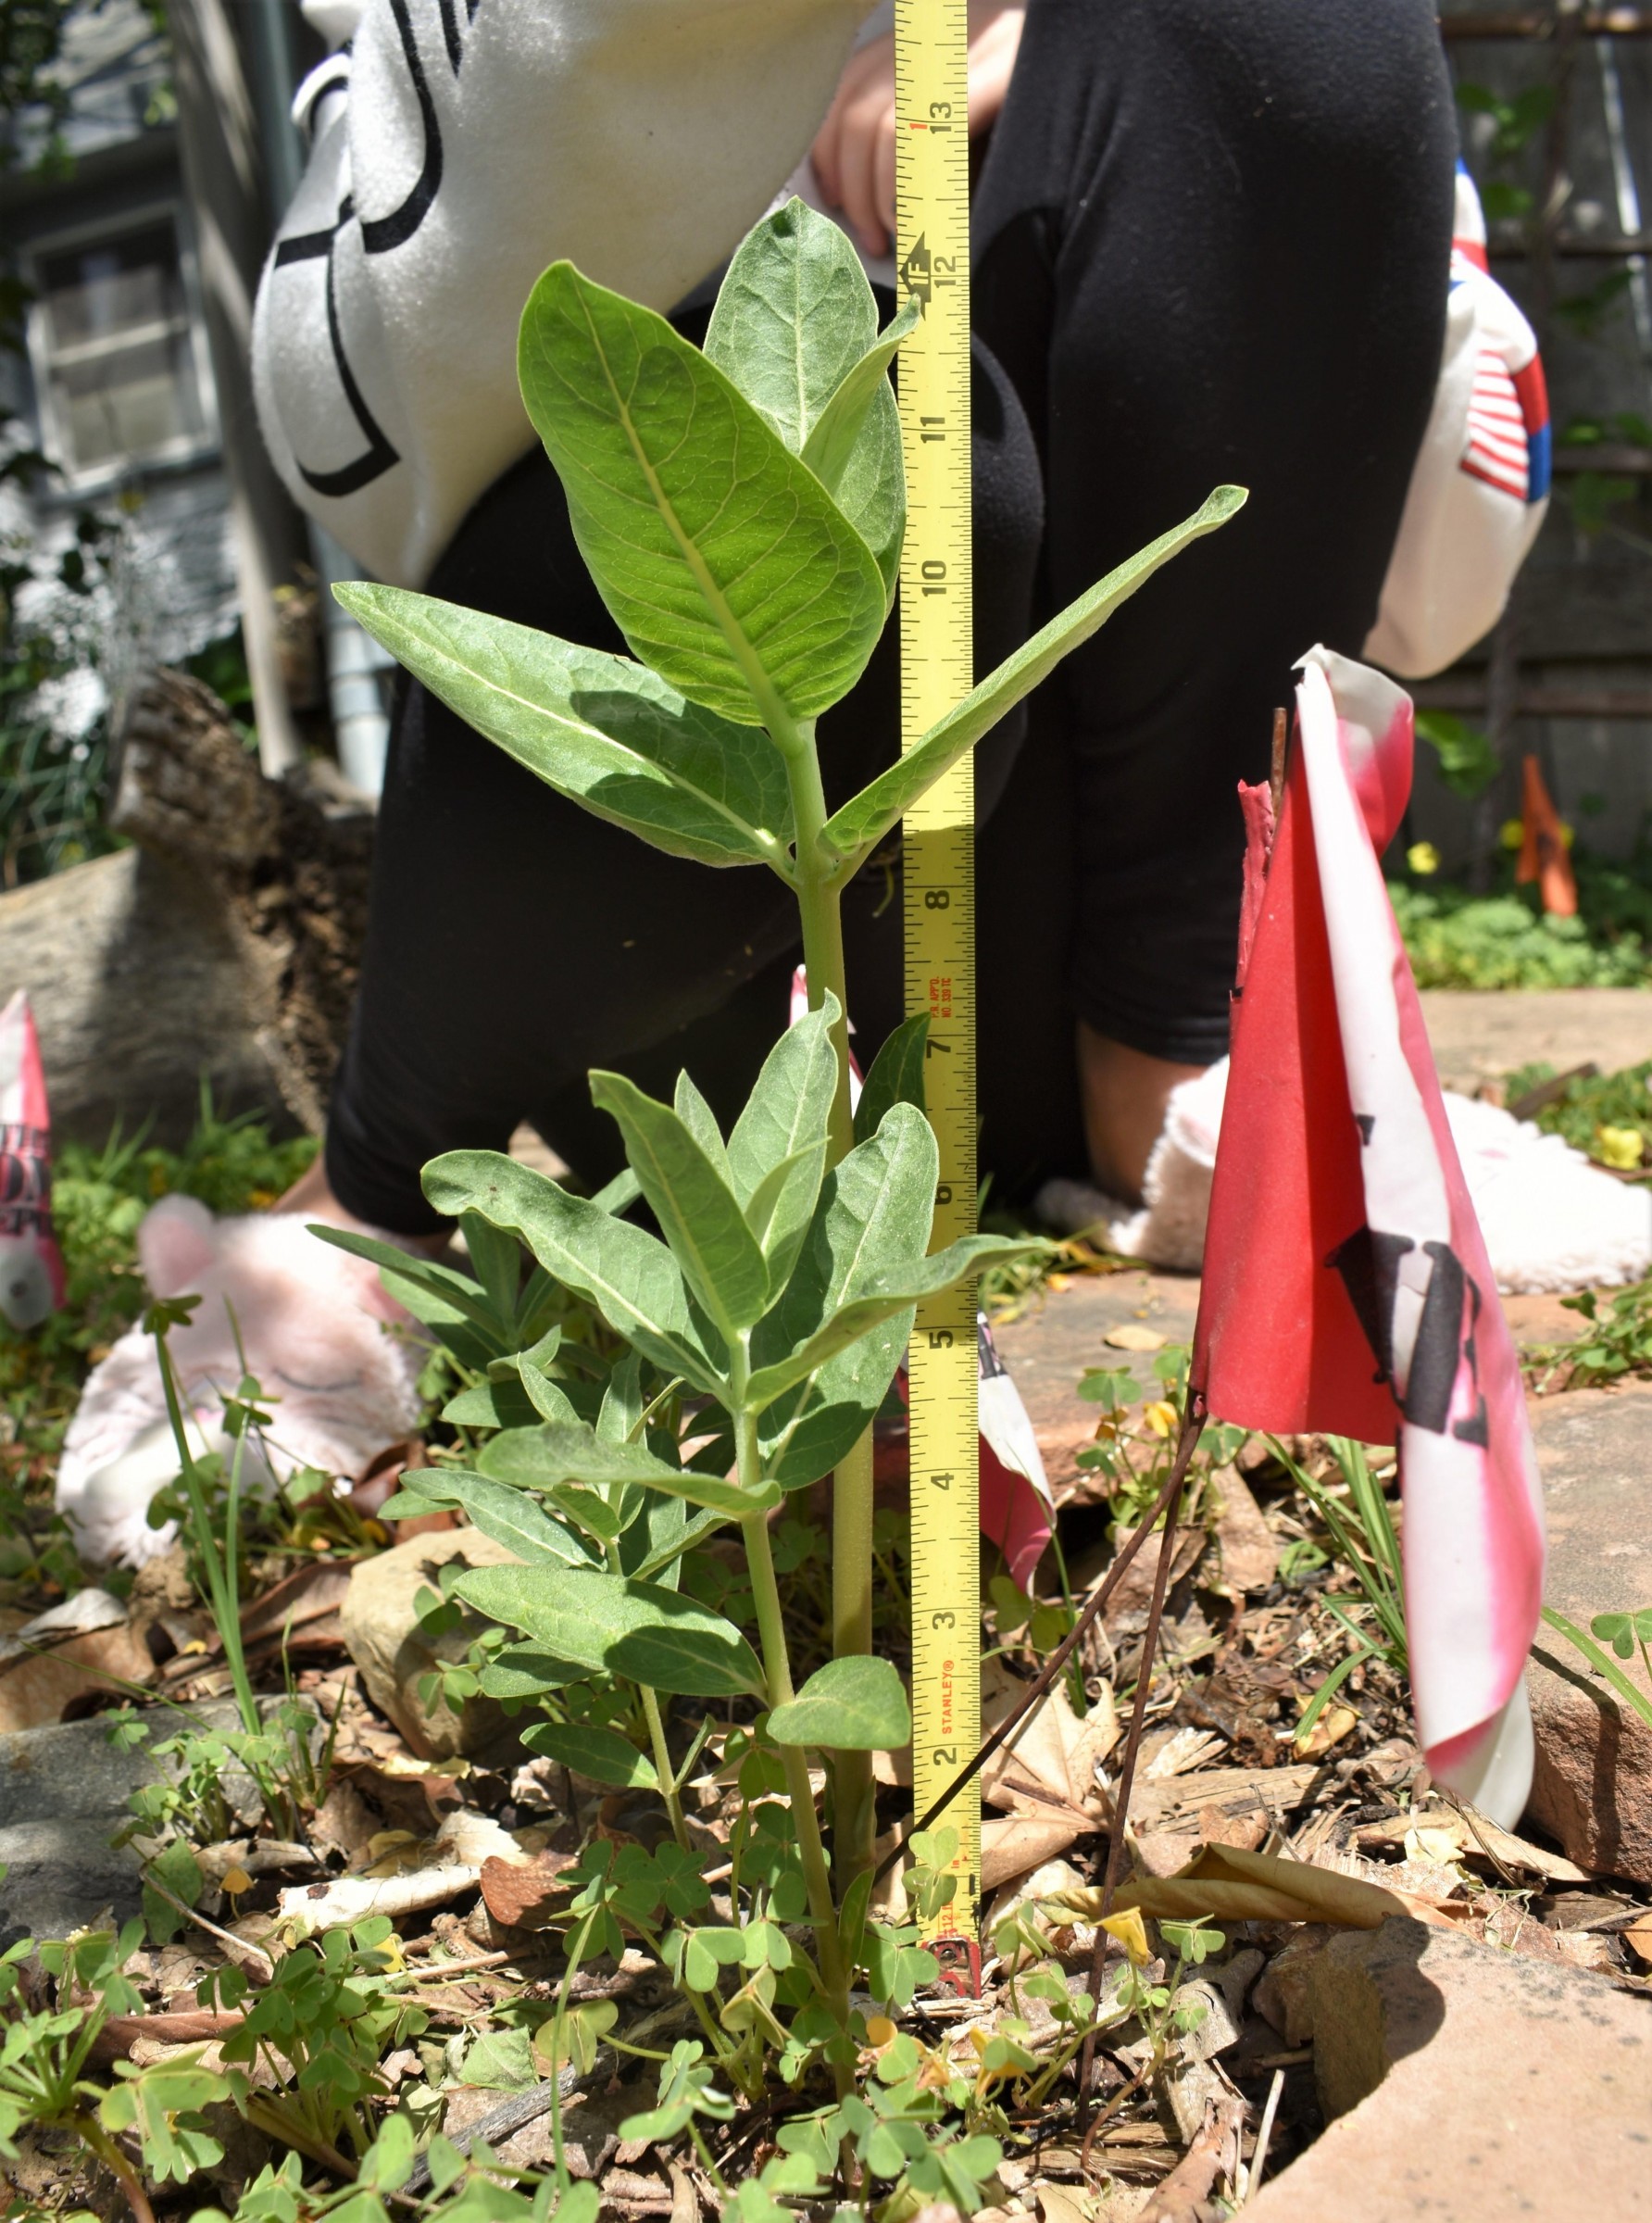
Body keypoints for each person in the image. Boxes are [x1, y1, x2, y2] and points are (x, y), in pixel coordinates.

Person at [257, 0, 1458, 1262]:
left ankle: (1181, 1071)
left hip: (1071, 926)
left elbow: (1447, 544)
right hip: (685, 964)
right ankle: (374, 1190)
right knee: (851, 477)